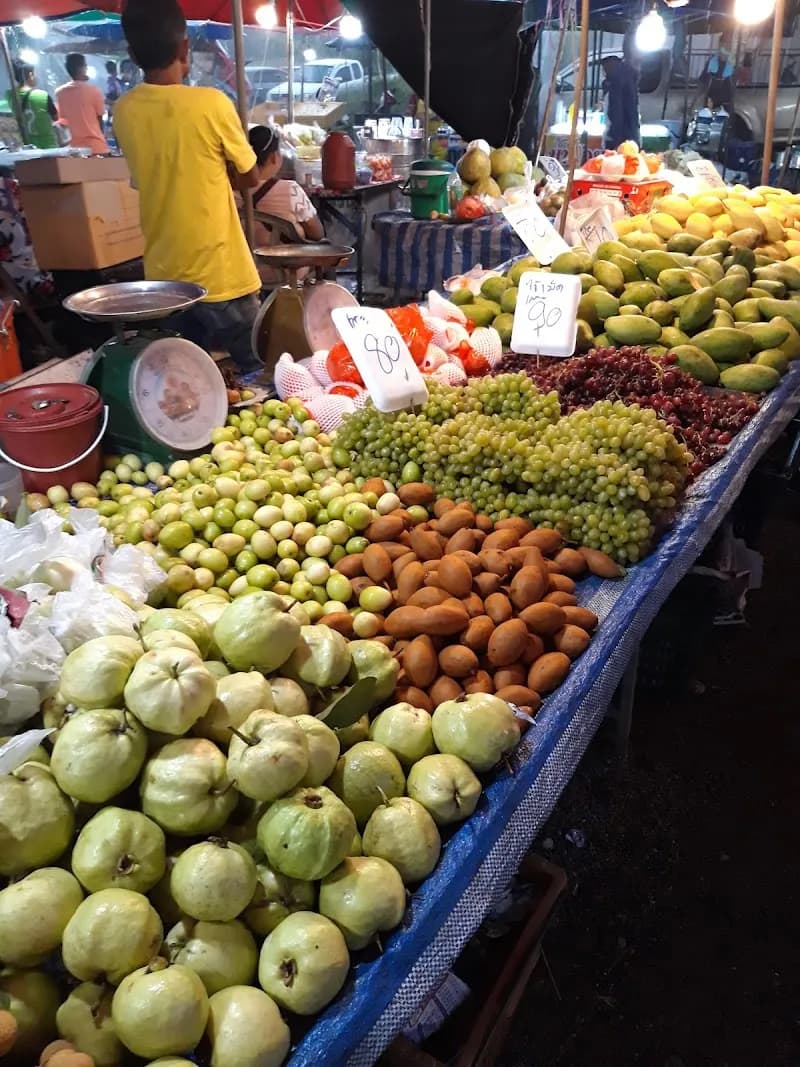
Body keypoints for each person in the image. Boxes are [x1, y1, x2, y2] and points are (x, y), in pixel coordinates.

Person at [114, 0, 263, 375]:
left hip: (164, 282)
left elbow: (146, 178)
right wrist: (221, 170)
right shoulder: (211, 103)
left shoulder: (124, 111)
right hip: (222, 274)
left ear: (132, 53)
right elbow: (251, 177)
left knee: (185, 379)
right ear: (185, 48)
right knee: (259, 371)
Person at [248, 125, 324, 286]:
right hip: (287, 271)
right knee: (325, 248)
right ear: (274, 157)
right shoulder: (290, 190)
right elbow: (317, 234)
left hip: (244, 270)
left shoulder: (231, 191)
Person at [56, 54, 108, 155]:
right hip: (96, 147)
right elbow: (100, 120)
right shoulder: (94, 91)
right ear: (81, 68)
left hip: (74, 150)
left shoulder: (60, 93)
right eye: (85, 65)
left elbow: (63, 121)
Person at [6, 60, 58, 149]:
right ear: (31, 75)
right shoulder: (43, 95)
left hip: (27, 147)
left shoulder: (10, 95)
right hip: (48, 146)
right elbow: (55, 117)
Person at [601, 55, 640, 149]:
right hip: (632, 137)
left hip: (618, 139)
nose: (604, 72)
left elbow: (616, 115)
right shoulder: (630, 83)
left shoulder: (616, 87)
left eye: (605, 68)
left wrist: (614, 139)